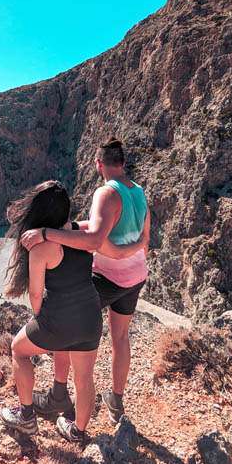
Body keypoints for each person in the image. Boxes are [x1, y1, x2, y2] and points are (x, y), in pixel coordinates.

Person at [0, 180, 145, 444]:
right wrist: (140, 241)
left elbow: (34, 294)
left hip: (57, 319)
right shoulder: (84, 233)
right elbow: (105, 239)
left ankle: (26, 416)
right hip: (90, 316)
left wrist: (42, 318)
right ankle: (77, 431)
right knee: (84, 379)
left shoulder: (40, 247)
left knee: (18, 351)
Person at [21, 136, 150, 425]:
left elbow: (93, 239)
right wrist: (128, 252)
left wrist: (45, 233)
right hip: (135, 276)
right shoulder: (139, 192)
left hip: (105, 278)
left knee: (70, 326)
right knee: (120, 338)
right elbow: (145, 240)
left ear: (98, 163)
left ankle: (59, 394)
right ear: (124, 162)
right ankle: (116, 400)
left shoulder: (106, 193)